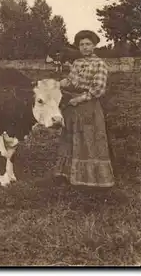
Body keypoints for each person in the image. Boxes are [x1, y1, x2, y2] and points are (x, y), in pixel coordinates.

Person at [53, 30, 115, 188]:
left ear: (94, 45)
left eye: (88, 44)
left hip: (89, 106)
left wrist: (79, 99)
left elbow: (98, 89)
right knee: (70, 138)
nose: (85, 47)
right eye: (82, 44)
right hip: (73, 107)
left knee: (88, 139)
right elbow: (70, 81)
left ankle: (91, 179)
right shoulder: (77, 63)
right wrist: (54, 84)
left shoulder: (99, 64)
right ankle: (66, 175)